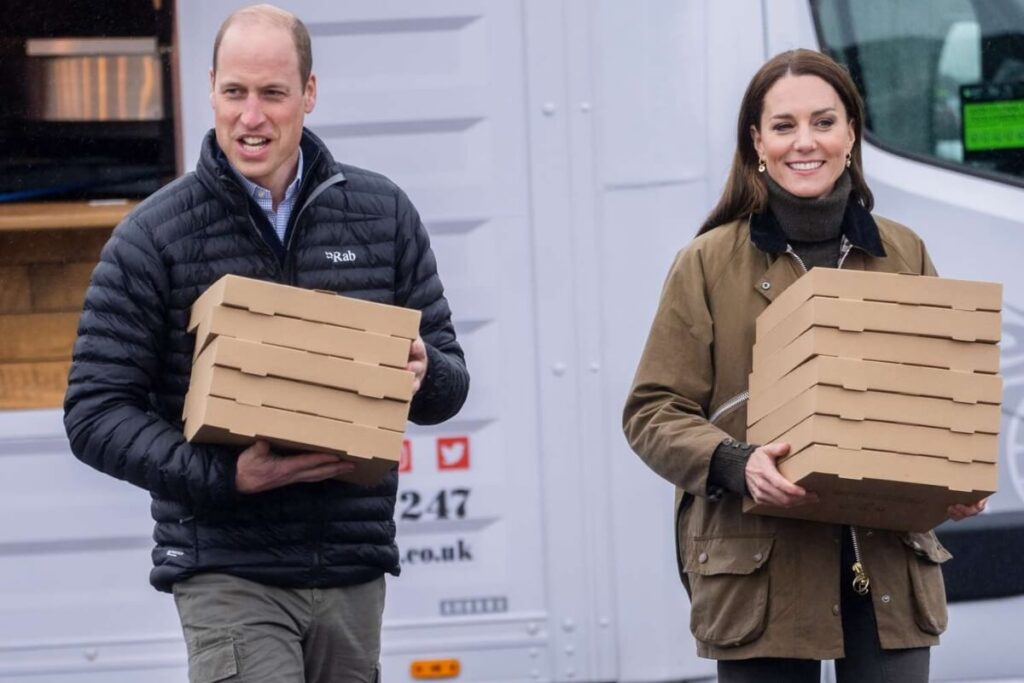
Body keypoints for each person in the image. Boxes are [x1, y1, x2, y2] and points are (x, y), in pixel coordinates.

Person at [63, 5, 469, 682]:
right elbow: (94, 412)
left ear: (309, 94)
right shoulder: (154, 236)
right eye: (235, 92)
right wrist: (226, 477)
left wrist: (424, 372)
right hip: (229, 568)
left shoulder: (382, 213)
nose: (251, 116)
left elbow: (448, 386)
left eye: (273, 93)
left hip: (350, 567)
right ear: (212, 88)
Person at [622, 49, 985, 683]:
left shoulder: (904, 250)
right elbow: (653, 411)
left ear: (851, 133)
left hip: (888, 569)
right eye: (784, 126)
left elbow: (939, 395)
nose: (805, 142)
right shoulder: (705, 264)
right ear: (756, 143)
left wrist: (951, 474)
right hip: (760, 575)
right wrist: (737, 465)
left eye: (823, 121)